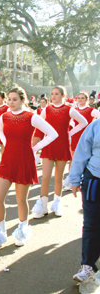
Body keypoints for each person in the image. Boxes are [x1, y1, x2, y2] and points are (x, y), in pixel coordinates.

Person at [0, 87, 58, 249]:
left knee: (21, 199)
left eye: (15, 99)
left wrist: (35, 148)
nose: (11, 102)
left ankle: (22, 229)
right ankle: (1, 231)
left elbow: (53, 133)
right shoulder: (4, 116)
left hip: (24, 161)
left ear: (22, 100)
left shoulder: (31, 117)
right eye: (9, 99)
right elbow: (0, 132)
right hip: (7, 160)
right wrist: (7, 143)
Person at [32, 86, 88, 218]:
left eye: (56, 94)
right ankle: (43, 205)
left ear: (63, 95)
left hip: (62, 145)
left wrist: (69, 133)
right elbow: (39, 126)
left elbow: (83, 122)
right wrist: (36, 144)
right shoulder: (46, 109)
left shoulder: (69, 109)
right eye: (52, 94)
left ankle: (57, 202)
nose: (53, 96)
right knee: (45, 177)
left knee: (58, 177)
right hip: (49, 145)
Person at [69, 118, 100, 284]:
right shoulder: (96, 125)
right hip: (94, 181)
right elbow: (82, 152)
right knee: (91, 224)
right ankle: (87, 266)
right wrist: (74, 179)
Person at [63, 91, 100, 191]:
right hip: (75, 136)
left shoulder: (91, 110)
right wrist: (71, 131)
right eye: (78, 98)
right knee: (73, 159)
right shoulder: (74, 110)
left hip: (87, 137)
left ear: (87, 100)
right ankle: (71, 180)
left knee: (84, 158)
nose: (80, 100)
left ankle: (83, 179)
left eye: (82, 98)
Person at [32, 97, 49, 165]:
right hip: (39, 129)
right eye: (41, 102)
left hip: (46, 129)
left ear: (46, 103)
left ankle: (46, 159)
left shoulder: (49, 109)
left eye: (43, 102)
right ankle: (37, 158)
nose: (42, 103)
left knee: (46, 145)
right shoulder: (37, 110)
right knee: (35, 144)